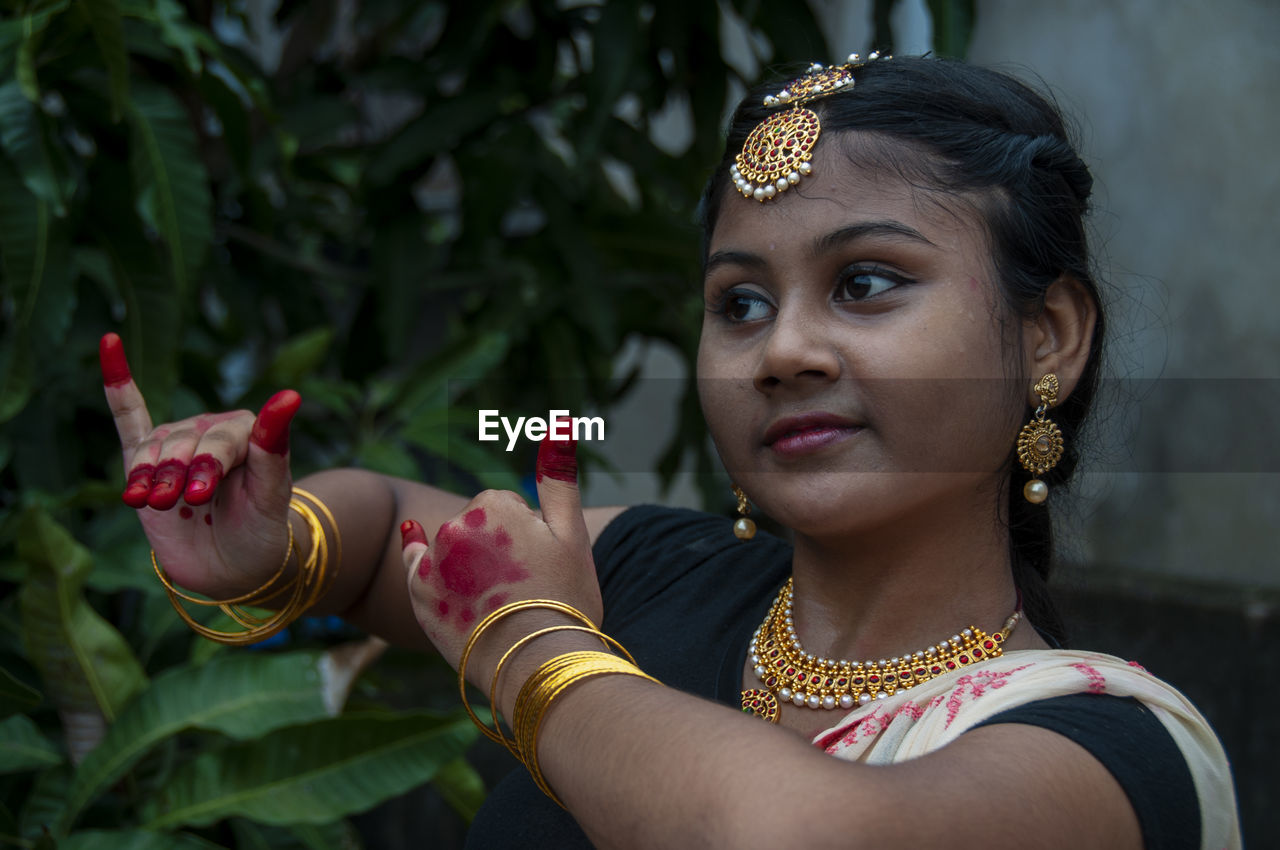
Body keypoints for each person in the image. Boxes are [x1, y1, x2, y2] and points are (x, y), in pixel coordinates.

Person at [101, 55, 1239, 848]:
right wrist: (277, 544)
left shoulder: (1106, 750)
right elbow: (376, 532)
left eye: (864, 283)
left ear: (1046, 338)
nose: (781, 348)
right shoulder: (646, 576)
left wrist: (528, 650)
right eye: (738, 303)